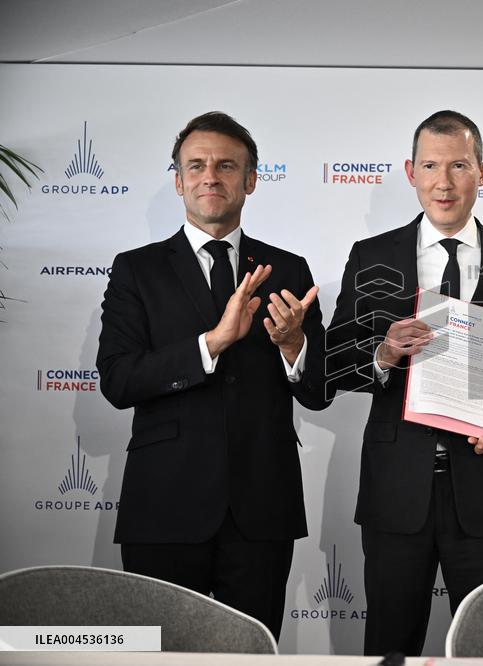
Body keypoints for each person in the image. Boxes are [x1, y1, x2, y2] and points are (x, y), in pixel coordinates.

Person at [315, 110, 483, 655]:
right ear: (410, 172)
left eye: (459, 166)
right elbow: (331, 366)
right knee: (391, 644)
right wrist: (384, 352)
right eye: (430, 166)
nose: (443, 182)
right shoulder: (371, 256)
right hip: (397, 489)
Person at [96, 111, 325, 639]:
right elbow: (118, 380)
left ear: (250, 180)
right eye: (195, 165)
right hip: (165, 504)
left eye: (226, 165)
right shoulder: (138, 269)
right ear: (177, 181)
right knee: (165, 650)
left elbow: (320, 392)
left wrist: (293, 344)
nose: (210, 176)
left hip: (263, 507)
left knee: (253, 647)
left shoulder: (289, 269)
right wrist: (212, 344)